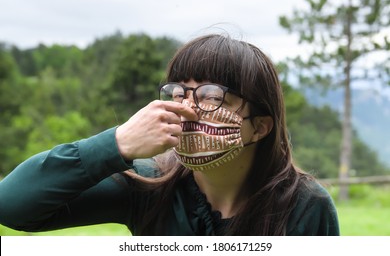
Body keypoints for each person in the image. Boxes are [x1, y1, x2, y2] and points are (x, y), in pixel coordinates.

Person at [0, 34, 339, 236]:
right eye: (179, 92)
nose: (188, 108)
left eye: (210, 95)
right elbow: (11, 205)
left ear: (260, 126)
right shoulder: (148, 185)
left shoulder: (305, 206)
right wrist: (117, 143)